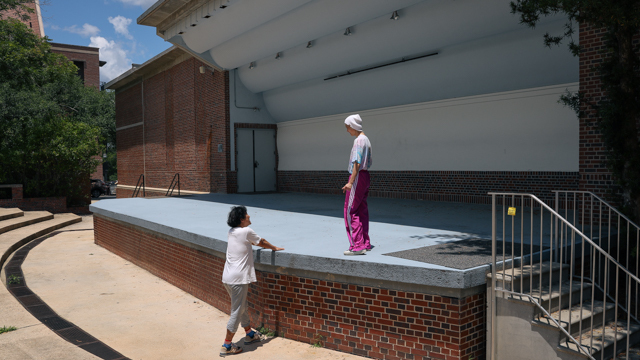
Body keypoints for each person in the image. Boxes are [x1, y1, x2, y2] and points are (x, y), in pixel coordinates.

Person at [220, 205, 284, 356]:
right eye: (247, 215)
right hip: (238, 279)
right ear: (242, 219)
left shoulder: (231, 232)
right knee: (236, 311)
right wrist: (274, 248)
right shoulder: (246, 231)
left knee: (242, 306)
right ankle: (226, 346)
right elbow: (261, 242)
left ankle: (249, 334)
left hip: (227, 278)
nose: (249, 216)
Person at [342, 114, 372, 256]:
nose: (347, 130)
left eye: (348, 127)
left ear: (353, 126)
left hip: (358, 176)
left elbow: (357, 163)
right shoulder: (366, 140)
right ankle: (365, 242)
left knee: (350, 211)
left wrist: (350, 182)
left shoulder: (358, 141)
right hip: (365, 176)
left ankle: (357, 245)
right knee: (362, 210)